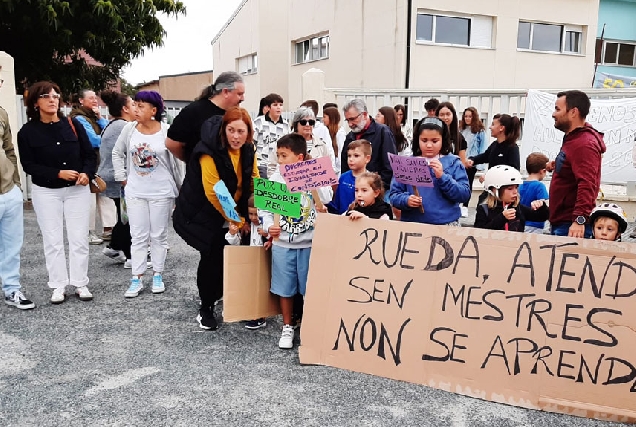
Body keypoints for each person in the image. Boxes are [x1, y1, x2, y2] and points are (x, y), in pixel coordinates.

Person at [173, 107, 258, 331]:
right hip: (205, 210)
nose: (236, 136)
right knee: (212, 256)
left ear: (248, 132)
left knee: (243, 256)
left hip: (235, 208)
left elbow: (254, 181)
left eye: (241, 131)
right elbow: (214, 191)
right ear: (224, 130)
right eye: (231, 130)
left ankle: (242, 303)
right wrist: (238, 222)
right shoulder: (207, 151)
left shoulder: (249, 149)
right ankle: (207, 306)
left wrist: (257, 209)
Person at [17, 81, 96, 304]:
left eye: (55, 95)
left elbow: (90, 155)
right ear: (35, 102)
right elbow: (29, 166)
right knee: (53, 240)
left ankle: (80, 282)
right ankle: (58, 284)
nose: (52, 100)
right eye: (46, 96)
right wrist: (58, 173)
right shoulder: (27, 132)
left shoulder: (72, 124)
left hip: (77, 191)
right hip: (46, 192)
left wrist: (86, 174)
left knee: (79, 238)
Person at [113, 91, 180, 298]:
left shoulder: (166, 131)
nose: (137, 109)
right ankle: (137, 277)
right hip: (135, 191)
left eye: (142, 106)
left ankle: (158, 274)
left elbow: (178, 161)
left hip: (161, 191)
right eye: (135, 105)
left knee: (158, 235)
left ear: (154, 110)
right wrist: (122, 177)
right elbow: (117, 152)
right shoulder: (129, 129)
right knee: (138, 236)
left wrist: (180, 188)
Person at [261, 133, 317, 349]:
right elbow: (265, 211)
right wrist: (268, 227)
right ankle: (287, 325)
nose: (280, 160)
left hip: (309, 244)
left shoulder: (312, 178)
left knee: (309, 287)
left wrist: (320, 204)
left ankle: (309, 325)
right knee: (285, 288)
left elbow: (325, 201)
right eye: (278, 155)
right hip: (282, 244)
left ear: (299, 158)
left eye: (284, 155)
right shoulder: (275, 180)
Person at [546, 90, 605, 238]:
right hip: (563, 222)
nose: (554, 114)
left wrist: (579, 220)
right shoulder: (573, 139)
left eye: (558, 109)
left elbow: (587, 184)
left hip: (571, 226)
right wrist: (559, 164)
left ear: (573, 112)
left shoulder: (583, 144)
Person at [389, 117, 470, 225]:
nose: (429, 145)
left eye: (435, 141)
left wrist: (443, 177)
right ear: (418, 139)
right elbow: (394, 195)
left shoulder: (453, 163)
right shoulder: (407, 163)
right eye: (424, 140)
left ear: (443, 140)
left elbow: (464, 195)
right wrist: (406, 200)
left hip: (445, 225)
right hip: (414, 226)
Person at [0, 76, 35, 310]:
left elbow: (9, 149)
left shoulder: (1, 112)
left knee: (12, 247)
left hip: (7, 191)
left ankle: (11, 289)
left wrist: (16, 185)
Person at [166, 71, 245, 163]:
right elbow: (172, 143)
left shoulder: (235, 114)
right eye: (239, 94)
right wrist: (192, 160)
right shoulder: (193, 111)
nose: (243, 98)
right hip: (201, 175)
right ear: (225, 92)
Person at [98, 91, 137, 265]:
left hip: (110, 175)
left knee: (124, 215)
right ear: (125, 108)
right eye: (133, 104)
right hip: (118, 177)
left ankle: (114, 246)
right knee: (128, 217)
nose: (136, 107)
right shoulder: (123, 126)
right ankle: (130, 256)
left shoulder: (112, 124)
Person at [70, 89, 113, 245]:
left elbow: (109, 129)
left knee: (104, 192)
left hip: (99, 161)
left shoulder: (93, 117)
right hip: (86, 163)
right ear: (81, 100)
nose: (95, 101)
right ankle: (88, 232)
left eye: (96, 98)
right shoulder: (79, 118)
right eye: (91, 98)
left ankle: (109, 229)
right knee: (89, 198)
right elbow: (94, 140)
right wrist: (107, 138)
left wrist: (100, 118)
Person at [225, 195, 270, 330]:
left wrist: (267, 236)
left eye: (256, 214)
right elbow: (236, 244)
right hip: (248, 261)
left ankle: (260, 316)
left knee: (261, 289)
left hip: (264, 262)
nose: (253, 217)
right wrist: (233, 233)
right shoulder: (246, 227)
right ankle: (247, 311)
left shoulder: (267, 226)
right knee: (246, 287)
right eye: (250, 214)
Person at [279, 107, 334, 204]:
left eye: (311, 122)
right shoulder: (283, 143)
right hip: (289, 197)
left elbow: (329, 173)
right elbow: (274, 168)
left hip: (314, 201)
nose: (308, 125)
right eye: (304, 122)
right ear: (296, 124)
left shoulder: (322, 145)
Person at [341, 99, 397, 192]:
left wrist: (376, 189)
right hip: (354, 191)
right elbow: (345, 165)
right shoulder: (350, 137)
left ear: (364, 114)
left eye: (352, 119)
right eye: (347, 120)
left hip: (378, 192)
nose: (350, 124)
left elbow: (390, 166)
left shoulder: (383, 132)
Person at [467, 114, 522, 205]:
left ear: (501, 128)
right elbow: (485, 156)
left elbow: (513, 171)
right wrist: (472, 160)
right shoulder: (494, 145)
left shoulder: (512, 148)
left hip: (502, 195)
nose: (490, 127)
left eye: (493, 124)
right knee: (482, 209)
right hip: (490, 190)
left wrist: (490, 177)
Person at [474, 165, 548, 232]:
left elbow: (541, 217)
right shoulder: (484, 209)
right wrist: (502, 218)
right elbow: (479, 233)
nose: (515, 192)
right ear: (495, 190)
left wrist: (541, 206)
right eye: (510, 189)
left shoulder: (517, 208)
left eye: (516, 188)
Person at [327, 140, 371, 215]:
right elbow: (337, 204)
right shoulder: (343, 177)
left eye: (356, 156)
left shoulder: (371, 180)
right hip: (341, 221)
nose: (351, 159)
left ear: (367, 158)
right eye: (349, 156)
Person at [253, 93, 289, 178]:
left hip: (278, 165)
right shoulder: (258, 122)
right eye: (275, 105)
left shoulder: (286, 125)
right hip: (262, 164)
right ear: (268, 108)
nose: (278, 107)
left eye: (281, 105)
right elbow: (252, 143)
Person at [460, 107, 487, 207]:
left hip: (471, 162)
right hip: (461, 161)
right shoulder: (461, 129)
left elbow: (483, 148)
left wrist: (478, 164)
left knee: (468, 183)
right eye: (465, 116)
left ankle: (465, 205)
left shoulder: (480, 131)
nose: (467, 119)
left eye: (470, 116)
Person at [519, 152, 550, 234]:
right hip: (536, 225)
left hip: (521, 224)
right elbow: (545, 204)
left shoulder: (519, 185)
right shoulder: (540, 186)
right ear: (542, 171)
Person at [322, 107, 346, 176]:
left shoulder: (340, 133)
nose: (323, 119)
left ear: (331, 118)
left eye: (324, 117)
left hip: (338, 169)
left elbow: (341, 152)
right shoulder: (327, 132)